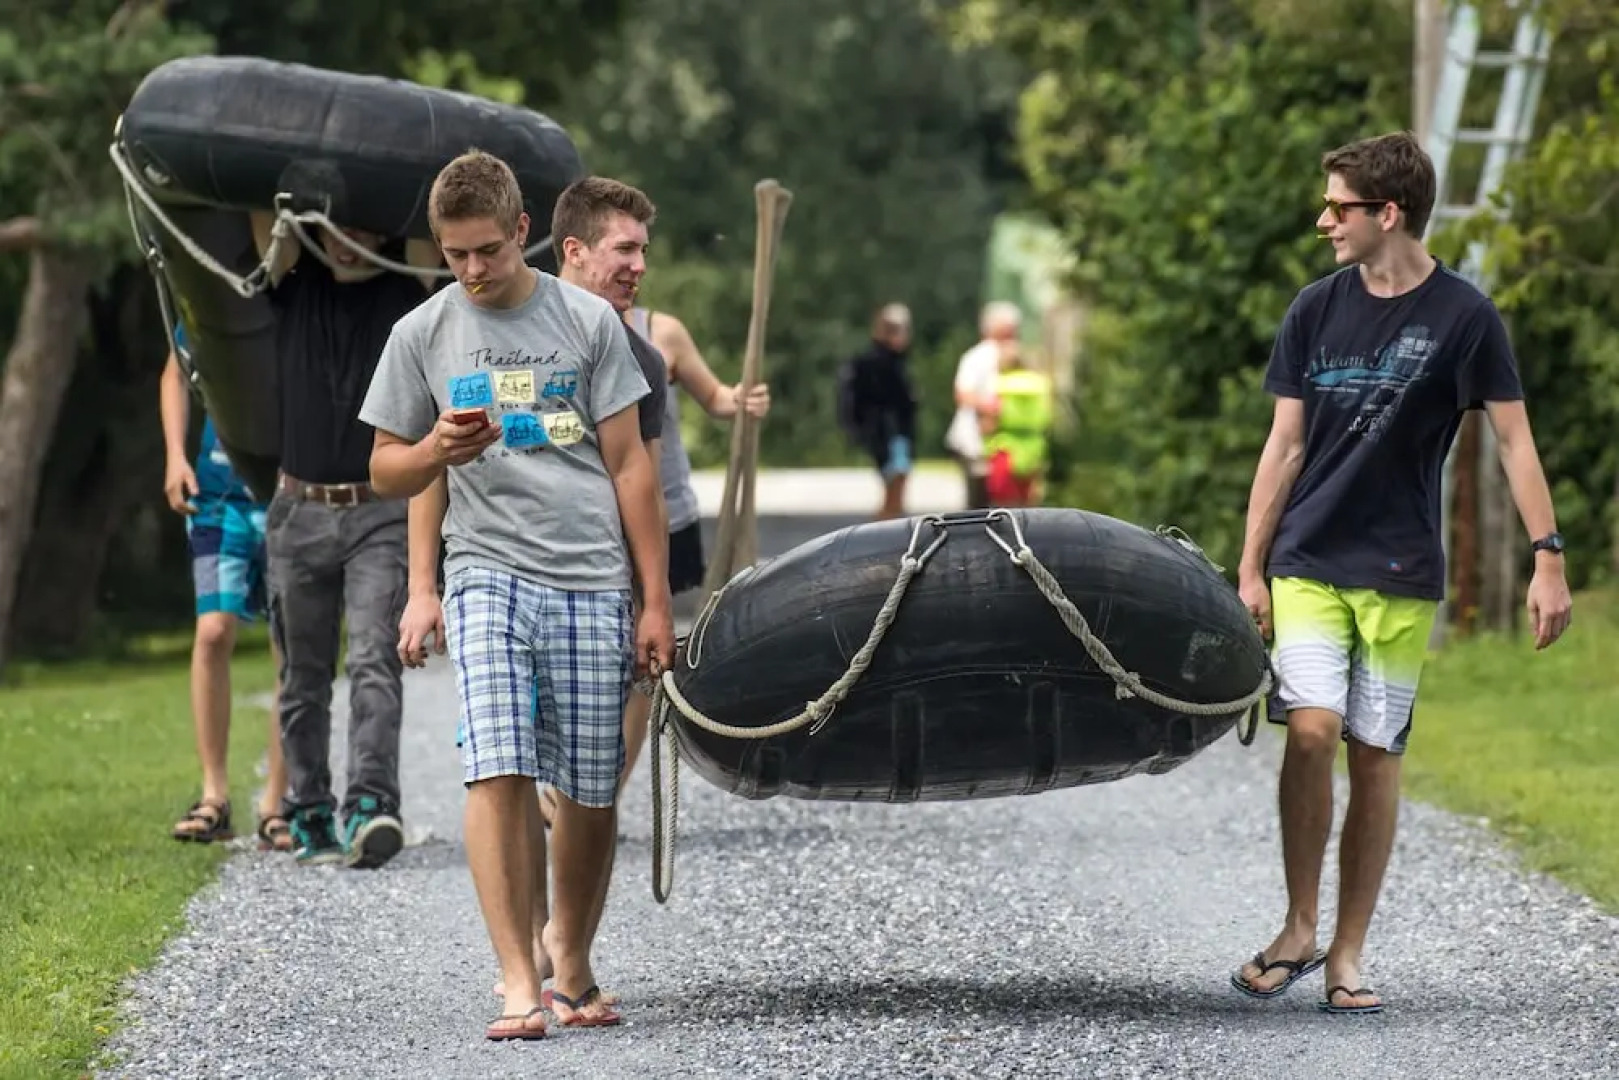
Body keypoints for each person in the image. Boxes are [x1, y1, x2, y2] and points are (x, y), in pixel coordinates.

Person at [1230, 130, 1573, 1015]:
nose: (1323, 221)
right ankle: (1298, 926)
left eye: (1337, 207)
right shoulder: (1313, 309)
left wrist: (1547, 558)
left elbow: (1513, 441)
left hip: (1399, 567)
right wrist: (1250, 566)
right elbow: (1283, 446)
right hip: (1308, 557)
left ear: (1387, 213)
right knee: (1311, 731)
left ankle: (1346, 954)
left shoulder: (1466, 318)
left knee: (1375, 756)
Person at [362, 151, 674, 1039]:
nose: (472, 269)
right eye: (455, 253)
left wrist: (655, 601)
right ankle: (515, 981)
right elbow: (388, 468)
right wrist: (433, 473)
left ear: (524, 232)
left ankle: (568, 960)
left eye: (489, 250)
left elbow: (630, 465)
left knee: (588, 787)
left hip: (587, 572)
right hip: (484, 568)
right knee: (495, 763)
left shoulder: (587, 322)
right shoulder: (421, 333)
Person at [246, 203, 438, 868]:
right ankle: (307, 809)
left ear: (385, 230)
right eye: (337, 228)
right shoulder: (292, 283)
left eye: (362, 226)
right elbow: (260, 210)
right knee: (301, 676)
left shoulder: (409, 294)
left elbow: (423, 219)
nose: (348, 241)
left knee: (374, 662)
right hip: (298, 510)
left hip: (379, 512)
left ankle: (371, 805)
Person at [160, 324, 291, 851]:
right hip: (217, 497)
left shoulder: (302, 296)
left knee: (292, 644)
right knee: (213, 631)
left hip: (290, 495)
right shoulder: (217, 299)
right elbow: (175, 371)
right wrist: (175, 455)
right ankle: (214, 795)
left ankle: (277, 802)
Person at [842, 303, 918, 520]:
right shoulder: (874, 363)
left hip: (893, 431)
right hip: (887, 431)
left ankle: (891, 521)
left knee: (897, 482)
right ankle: (887, 525)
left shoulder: (895, 361)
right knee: (896, 480)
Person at [946, 301, 1022, 508]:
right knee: (980, 504)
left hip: (1004, 442)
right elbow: (963, 394)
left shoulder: (1015, 356)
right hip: (975, 441)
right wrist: (992, 408)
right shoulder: (979, 357)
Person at [980, 341, 1054, 508]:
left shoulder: (999, 385)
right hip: (1033, 448)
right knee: (1028, 502)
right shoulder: (1039, 385)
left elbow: (991, 419)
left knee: (1004, 503)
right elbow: (1048, 416)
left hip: (1005, 448)